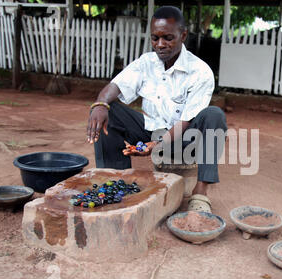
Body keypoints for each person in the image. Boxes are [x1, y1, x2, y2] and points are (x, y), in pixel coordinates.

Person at [86, 6, 227, 213]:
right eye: (155, 38)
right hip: (151, 132)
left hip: (186, 138)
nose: (160, 44)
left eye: (168, 38)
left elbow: (186, 121)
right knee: (110, 110)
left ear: (183, 35)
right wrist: (100, 104)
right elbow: (116, 85)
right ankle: (116, 182)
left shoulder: (200, 72)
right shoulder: (146, 63)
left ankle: (201, 193)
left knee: (214, 115)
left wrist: (158, 144)